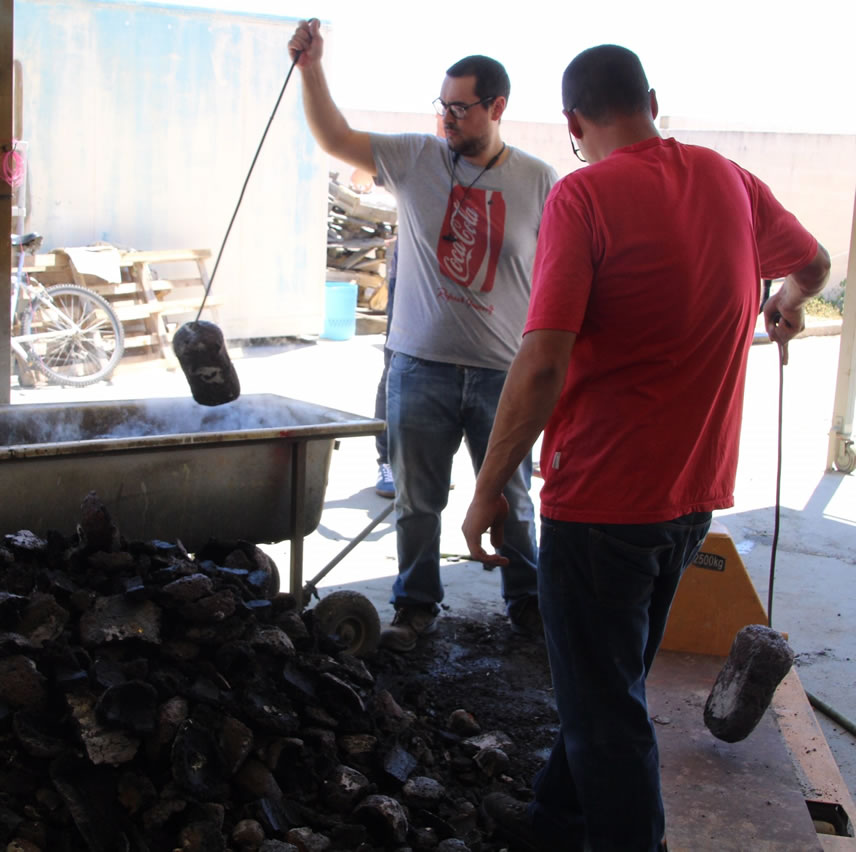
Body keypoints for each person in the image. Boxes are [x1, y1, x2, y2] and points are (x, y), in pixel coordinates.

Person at [462, 45, 830, 852]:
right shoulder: (729, 180)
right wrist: (787, 304)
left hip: (599, 506)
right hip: (688, 503)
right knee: (606, 691)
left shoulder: (583, 196)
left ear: (570, 124)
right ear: (651, 100)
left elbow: (544, 359)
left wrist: (490, 487)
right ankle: (554, 826)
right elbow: (813, 265)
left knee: (608, 720)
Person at [288, 20, 557, 652]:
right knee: (417, 502)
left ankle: (529, 604)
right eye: (442, 106)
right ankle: (415, 606)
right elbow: (334, 136)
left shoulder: (539, 180)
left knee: (513, 500)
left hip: (503, 373)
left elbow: (561, 274)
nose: (447, 120)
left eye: (460, 109)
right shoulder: (415, 159)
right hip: (418, 367)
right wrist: (312, 68)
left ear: (497, 108)